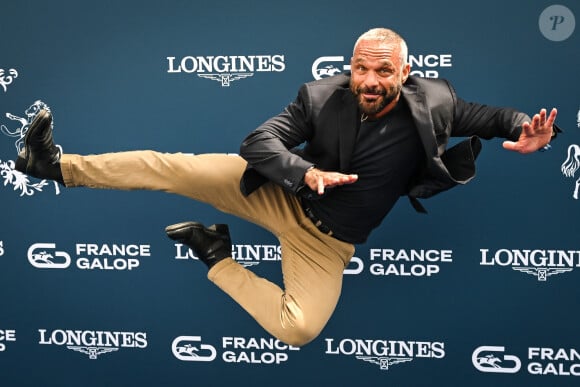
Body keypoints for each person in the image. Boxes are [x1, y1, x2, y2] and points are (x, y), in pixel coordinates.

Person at [16, 28, 559, 347]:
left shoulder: (436, 102)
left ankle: (216, 256)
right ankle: (54, 165)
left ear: (406, 71)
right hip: (277, 192)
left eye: (384, 71)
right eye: (361, 68)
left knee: (298, 329)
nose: (370, 81)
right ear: (351, 67)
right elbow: (260, 141)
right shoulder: (321, 98)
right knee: (171, 167)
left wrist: (533, 131)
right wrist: (305, 173)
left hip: (326, 242)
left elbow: (493, 117)